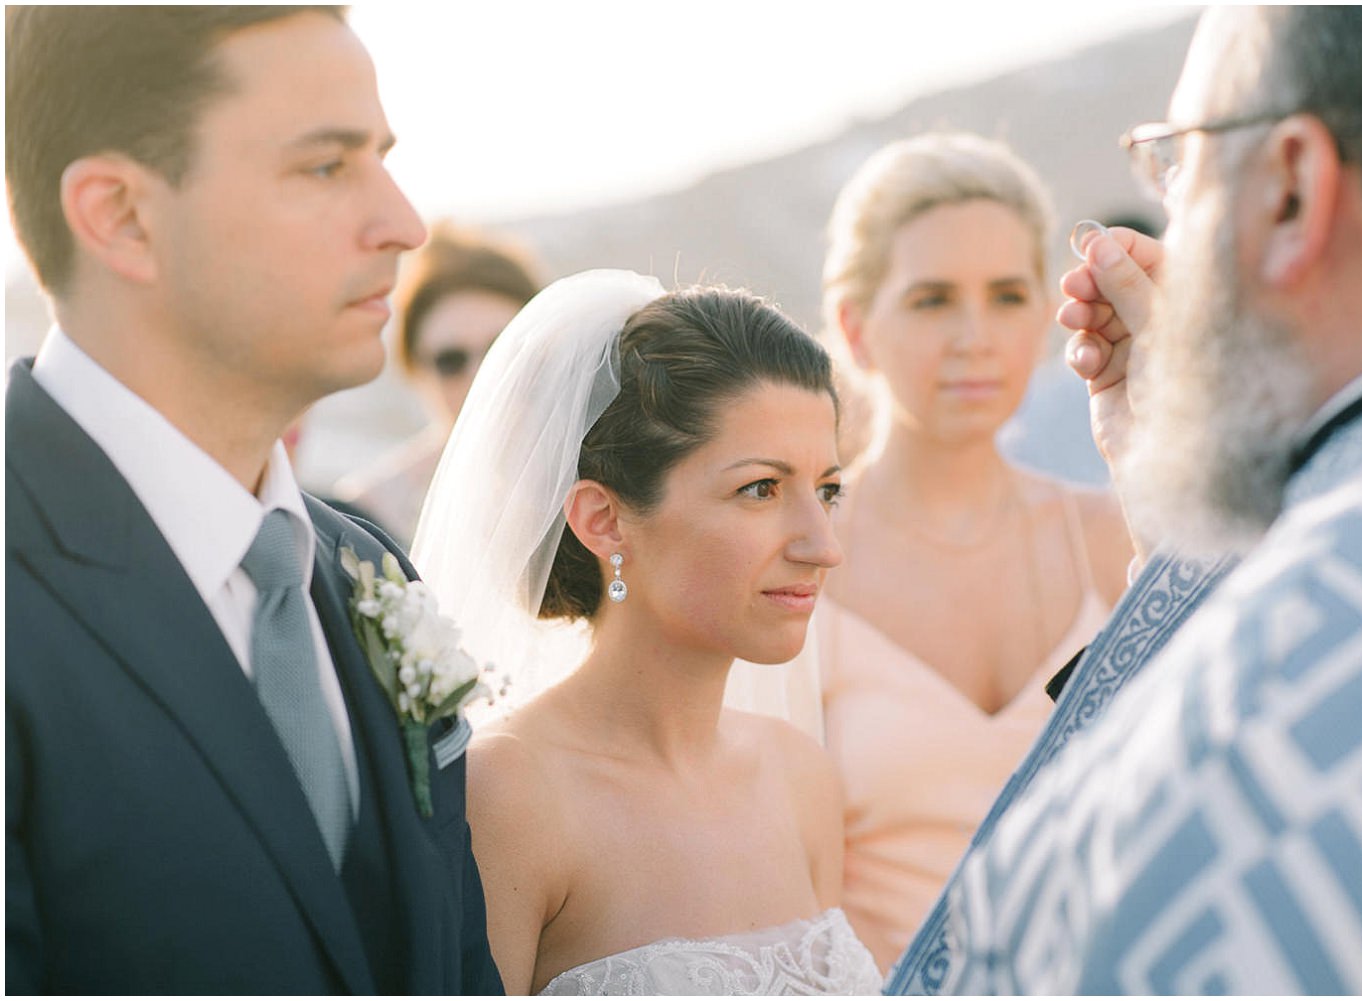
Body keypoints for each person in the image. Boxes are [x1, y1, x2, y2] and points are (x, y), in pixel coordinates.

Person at [889, 6, 1362, 993]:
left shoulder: (1237, 741)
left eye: (1180, 165)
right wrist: (1181, 509)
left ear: (1292, 189)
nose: (1168, 217)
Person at [5, 7, 500, 993]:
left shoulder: (369, 570)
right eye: (327, 166)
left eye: (384, 157)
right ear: (120, 215)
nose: (403, 222)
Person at [412, 270, 885, 995]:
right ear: (604, 519)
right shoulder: (508, 795)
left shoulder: (800, 777)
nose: (823, 544)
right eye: (760, 488)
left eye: (827, 489)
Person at [813, 131, 1135, 970]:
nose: (974, 336)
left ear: (1047, 310)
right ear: (855, 328)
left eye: (1005, 295)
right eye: (930, 300)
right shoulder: (798, 562)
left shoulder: (1113, 535)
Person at [335, 223, 543, 547]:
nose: (481, 376)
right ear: (416, 370)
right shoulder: (368, 512)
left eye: (501, 349)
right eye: (451, 360)